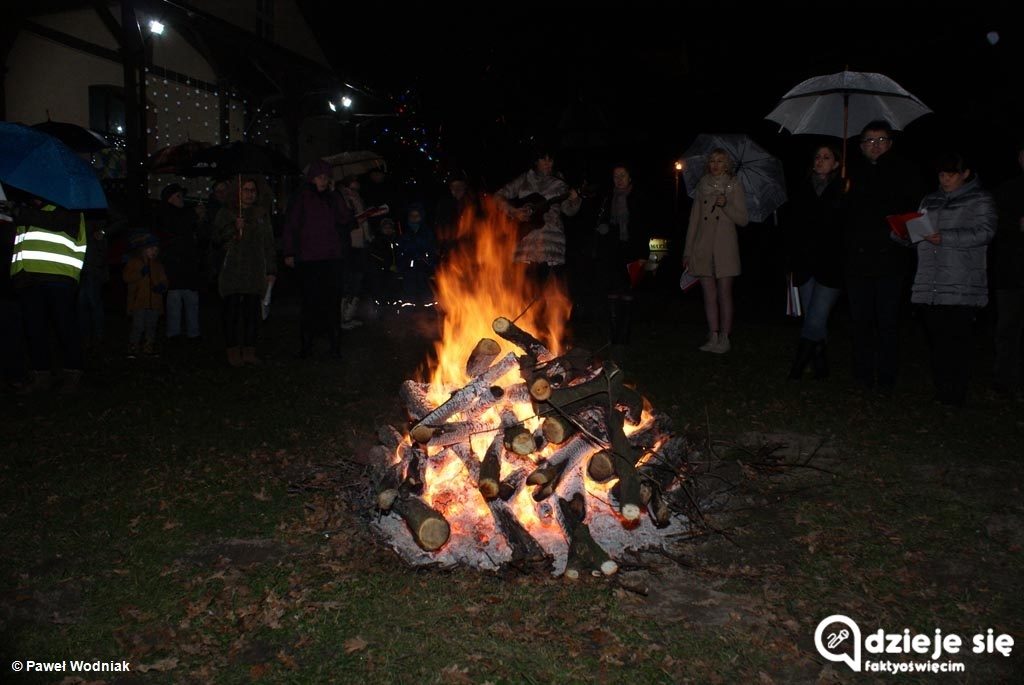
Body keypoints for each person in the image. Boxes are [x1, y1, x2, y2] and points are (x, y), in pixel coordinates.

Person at [843, 120, 926, 397]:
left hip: (890, 260)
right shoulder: (850, 173)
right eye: (868, 140)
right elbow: (842, 216)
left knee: (888, 322)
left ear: (890, 143)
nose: (875, 145)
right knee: (860, 321)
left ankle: (887, 377)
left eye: (880, 140)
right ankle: (862, 375)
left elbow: (912, 213)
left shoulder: (904, 171)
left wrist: (900, 235)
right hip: (857, 262)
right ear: (860, 145)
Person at [905, 152, 995, 406]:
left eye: (951, 174)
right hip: (930, 283)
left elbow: (985, 232)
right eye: (941, 174)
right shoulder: (930, 199)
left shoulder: (980, 200)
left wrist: (944, 237)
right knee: (937, 341)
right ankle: (942, 391)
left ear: (965, 174)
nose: (945, 179)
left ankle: (956, 394)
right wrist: (903, 233)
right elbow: (919, 235)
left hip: (961, 282)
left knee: (958, 341)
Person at [10, 196, 87, 393]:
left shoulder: (68, 207)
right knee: (35, 329)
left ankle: (72, 373)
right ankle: (40, 375)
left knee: (64, 326)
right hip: (27, 278)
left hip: (58, 276)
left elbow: (55, 222)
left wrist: (20, 213)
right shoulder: (24, 210)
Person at [785, 144, 845, 379]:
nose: (820, 161)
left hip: (831, 264)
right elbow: (793, 226)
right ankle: (821, 365)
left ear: (836, 163)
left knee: (817, 316)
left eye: (826, 157)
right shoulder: (802, 188)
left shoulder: (843, 189)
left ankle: (798, 367)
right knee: (812, 316)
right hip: (805, 261)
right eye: (817, 157)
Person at [283, 160, 352, 357]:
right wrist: (289, 252)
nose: (324, 180)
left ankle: (334, 346)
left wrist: (339, 197)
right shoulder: (301, 198)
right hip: (309, 259)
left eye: (327, 177)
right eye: (321, 177)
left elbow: (345, 220)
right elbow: (291, 226)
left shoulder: (333, 198)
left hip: (331, 259)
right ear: (312, 178)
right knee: (310, 303)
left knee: (331, 303)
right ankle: (307, 345)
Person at [683, 148, 749, 354]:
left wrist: (726, 204)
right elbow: (693, 221)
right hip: (703, 246)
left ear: (727, 164)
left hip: (724, 247)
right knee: (708, 294)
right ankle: (712, 334)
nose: (715, 165)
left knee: (724, 293)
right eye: (712, 161)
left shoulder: (734, 186)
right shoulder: (702, 186)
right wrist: (687, 250)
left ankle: (725, 337)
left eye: (720, 161)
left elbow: (743, 219)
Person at [213, 177, 277, 367]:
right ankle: (232, 350)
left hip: (254, 269)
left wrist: (271, 269)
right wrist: (233, 229)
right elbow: (216, 240)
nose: (250, 194)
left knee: (252, 312)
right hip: (232, 269)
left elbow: (268, 243)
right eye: (246, 190)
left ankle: (249, 350)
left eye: (252, 190)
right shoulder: (226, 213)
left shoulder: (261, 214)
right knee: (231, 312)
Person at [494, 148, 581, 285]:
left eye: (550, 159)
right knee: (525, 292)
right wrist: (513, 211)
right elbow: (498, 196)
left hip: (550, 243)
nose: (547, 163)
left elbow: (568, 210)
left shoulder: (559, 182)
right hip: (526, 243)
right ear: (536, 161)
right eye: (543, 159)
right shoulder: (524, 179)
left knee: (550, 294)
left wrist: (575, 200)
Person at [592, 164, 652, 346]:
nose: (619, 179)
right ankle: (613, 335)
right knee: (612, 291)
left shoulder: (638, 197)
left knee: (628, 291)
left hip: (633, 250)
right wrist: (603, 227)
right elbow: (600, 220)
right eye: (615, 176)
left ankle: (623, 336)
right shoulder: (608, 197)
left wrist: (643, 254)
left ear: (630, 177)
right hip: (612, 250)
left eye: (622, 175)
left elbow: (644, 227)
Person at [991, 143, 1024, 399]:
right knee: (1008, 328)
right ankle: (1004, 382)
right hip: (1012, 272)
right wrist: (1016, 224)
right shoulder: (1007, 190)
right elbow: (994, 226)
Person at [155, 183, 205, 343]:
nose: (181, 199)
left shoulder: (184, 214)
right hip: (174, 266)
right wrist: (194, 215)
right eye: (177, 196)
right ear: (169, 199)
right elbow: (176, 228)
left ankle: (193, 332)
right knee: (175, 300)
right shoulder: (166, 214)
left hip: (188, 265)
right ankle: (174, 333)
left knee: (191, 299)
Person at [122, 231, 168, 358]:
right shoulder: (134, 263)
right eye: (151, 249)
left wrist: (162, 287)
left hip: (154, 302)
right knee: (138, 325)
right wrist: (140, 274)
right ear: (143, 249)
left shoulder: (158, 265)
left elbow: (164, 280)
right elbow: (126, 278)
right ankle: (133, 346)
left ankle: (149, 346)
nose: (154, 252)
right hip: (139, 302)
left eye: (156, 250)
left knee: (151, 325)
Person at [396, 201, 438, 307]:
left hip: (424, 265)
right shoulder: (404, 233)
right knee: (409, 290)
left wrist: (430, 263)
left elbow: (431, 249)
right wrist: (402, 263)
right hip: (408, 268)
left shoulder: (427, 232)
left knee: (426, 290)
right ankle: (408, 313)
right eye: (412, 216)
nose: (414, 218)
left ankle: (428, 312)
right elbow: (401, 250)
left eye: (417, 216)